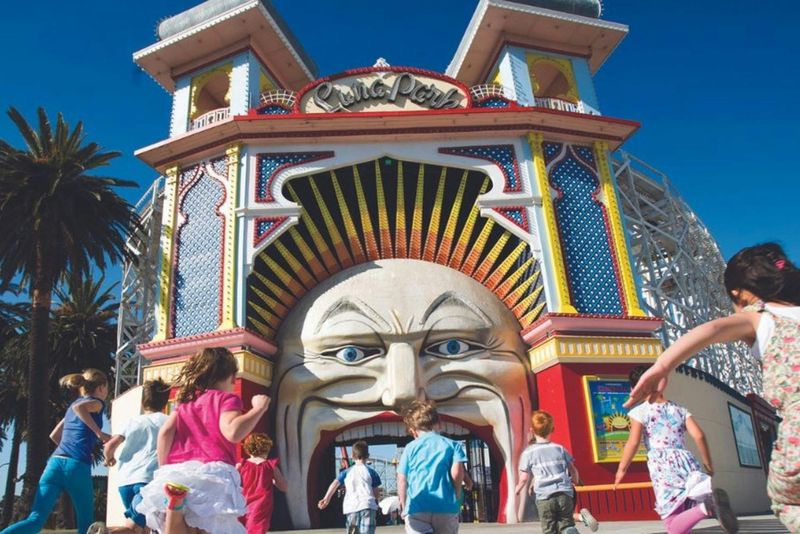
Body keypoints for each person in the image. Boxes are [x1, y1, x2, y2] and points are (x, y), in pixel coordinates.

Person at [626, 243, 800, 530]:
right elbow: (699, 434)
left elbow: (712, 330)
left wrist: (663, 364)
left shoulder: (760, 315)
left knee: (785, 498)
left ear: (738, 293)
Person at [135, 347, 270, 534]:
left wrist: (163, 468)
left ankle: (176, 505)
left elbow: (165, 432)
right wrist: (258, 409)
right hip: (214, 473)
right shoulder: (227, 399)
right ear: (232, 377)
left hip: (178, 472)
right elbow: (233, 431)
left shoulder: (185, 403)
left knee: (182, 528)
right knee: (208, 528)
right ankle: (176, 505)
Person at [618, 366, 737, 534]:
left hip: (663, 467)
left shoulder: (640, 411)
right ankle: (708, 505)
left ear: (635, 388)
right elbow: (699, 436)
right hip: (686, 462)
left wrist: (621, 470)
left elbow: (633, 442)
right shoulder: (680, 409)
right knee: (684, 516)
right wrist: (708, 465)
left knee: (672, 525)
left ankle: (708, 507)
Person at [1, 369, 111, 534]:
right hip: (77, 466)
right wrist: (99, 433)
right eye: (107, 389)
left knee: (35, 520)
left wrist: (70, 448)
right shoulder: (96, 403)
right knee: (86, 524)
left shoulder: (70, 407)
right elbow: (81, 408)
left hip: (55, 463)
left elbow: (54, 435)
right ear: (101, 387)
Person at [88, 378, 171, 534]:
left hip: (126, 481)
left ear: (142, 402)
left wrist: (108, 458)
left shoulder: (132, 422)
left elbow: (110, 446)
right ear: (165, 403)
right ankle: (105, 532)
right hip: (148, 483)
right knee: (133, 528)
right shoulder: (167, 421)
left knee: (143, 529)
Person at [397, 400, 466, 534]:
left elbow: (401, 479)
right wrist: (457, 494)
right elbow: (457, 473)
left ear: (413, 430)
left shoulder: (410, 448)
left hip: (417, 507)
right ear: (437, 423)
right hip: (445, 506)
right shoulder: (452, 445)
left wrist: (405, 506)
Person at [515, 410, 586, 534]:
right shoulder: (559, 448)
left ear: (531, 431)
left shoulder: (528, 453)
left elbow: (524, 478)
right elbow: (572, 469)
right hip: (564, 494)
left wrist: (517, 489)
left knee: (549, 529)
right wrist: (575, 480)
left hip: (544, 497)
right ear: (552, 429)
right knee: (566, 522)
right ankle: (569, 530)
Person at [318, 440, 382, 534]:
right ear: (368, 456)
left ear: (352, 457)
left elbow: (334, 484)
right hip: (368, 506)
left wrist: (326, 499)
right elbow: (376, 493)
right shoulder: (372, 472)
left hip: (351, 508)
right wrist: (377, 498)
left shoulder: (346, 472)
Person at [238, 433, 287, 534]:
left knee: (241, 527)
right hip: (262, 504)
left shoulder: (241, 465)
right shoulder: (270, 466)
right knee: (257, 527)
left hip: (242, 501)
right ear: (266, 448)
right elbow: (283, 487)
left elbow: (231, 482)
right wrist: (273, 481)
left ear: (248, 449)